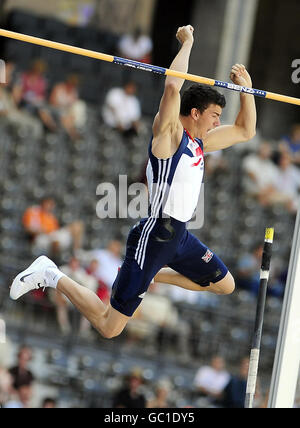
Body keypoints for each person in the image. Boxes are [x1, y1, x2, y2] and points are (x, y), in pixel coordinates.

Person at [10, 26, 256, 343]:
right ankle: (51, 274)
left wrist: (247, 92)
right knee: (110, 326)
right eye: (214, 115)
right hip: (154, 235)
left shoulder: (200, 142)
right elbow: (171, 87)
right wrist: (189, 43)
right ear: (194, 113)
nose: (217, 122)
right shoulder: (169, 135)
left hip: (179, 237)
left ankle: (157, 274)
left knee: (225, 284)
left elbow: (245, 131)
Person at [49, 74, 87, 141]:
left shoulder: (74, 91)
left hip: (66, 111)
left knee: (77, 109)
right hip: (56, 109)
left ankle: (72, 133)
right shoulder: (59, 88)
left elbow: (73, 103)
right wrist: (63, 106)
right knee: (64, 116)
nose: (72, 85)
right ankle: (73, 135)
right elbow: (52, 101)